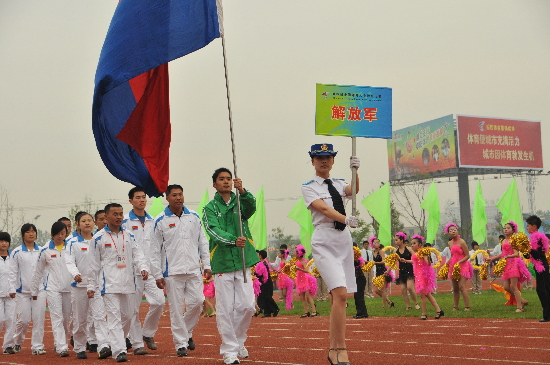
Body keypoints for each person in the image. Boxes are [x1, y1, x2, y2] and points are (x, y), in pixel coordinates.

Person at [301, 143, 359, 365]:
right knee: (340, 293)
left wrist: (356, 171)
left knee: (342, 297)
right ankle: (339, 348)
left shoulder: (339, 182)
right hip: (324, 240)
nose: (324, 161)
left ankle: (334, 346)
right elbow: (323, 209)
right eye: (319, 157)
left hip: (343, 240)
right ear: (313, 161)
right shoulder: (309, 186)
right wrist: (345, 219)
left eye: (328, 157)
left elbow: (352, 191)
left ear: (333, 160)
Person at [203, 168, 259, 365]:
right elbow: (213, 230)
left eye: (228, 179)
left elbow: (251, 208)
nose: (226, 182)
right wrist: (233, 240)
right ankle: (229, 351)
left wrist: (243, 191)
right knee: (225, 309)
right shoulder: (210, 208)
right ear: (214, 184)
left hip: (243, 259)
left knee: (248, 305)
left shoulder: (239, 201)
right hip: (222, 262)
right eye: (221, 179)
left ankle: (237, 341)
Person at [151, 184, 211, 357]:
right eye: (174, 195)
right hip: (172, 272)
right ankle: (180, 344)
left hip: (193, 269)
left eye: (180, 194)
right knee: (176, 309)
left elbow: (203, 242)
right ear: (167, 198)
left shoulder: (193, 216)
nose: (178, 198)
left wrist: (206, 264)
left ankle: (186, 333)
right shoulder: (160, 220)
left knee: (198, 302)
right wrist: (157, 274)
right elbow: (154, 250)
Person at [87, 203, 149, 363]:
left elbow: (138, 254)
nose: (119, 217)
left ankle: (116, 342)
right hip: (109, 285)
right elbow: (93, 265)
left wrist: (142, 267)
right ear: (106, 217)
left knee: (128, 317)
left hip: (128, 283)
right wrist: (91, 286)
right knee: (114, 318)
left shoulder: (129, 235)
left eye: (121, 214)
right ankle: (119, 351)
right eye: (115, 214)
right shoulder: (98, 238)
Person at [122, 186, 165, 354]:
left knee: (159, 302)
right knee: (133, 309)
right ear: (131, 201)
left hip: (152, 271)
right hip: (133, 272)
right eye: (138, 197)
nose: (141, 200)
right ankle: (137, 344)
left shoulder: (153, 221)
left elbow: (158, 247)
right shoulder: (125, 222)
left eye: (143, 197)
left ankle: (147, 333)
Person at [65, 212, 111, 359]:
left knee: (99, 316)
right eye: (83, 221)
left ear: (94, 223)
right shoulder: (72, 242)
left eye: (89, 220)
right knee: (81, 319)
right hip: (79, 287)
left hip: (97, 286)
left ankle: (103, 345)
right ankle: (79, 347)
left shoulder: (99, 239)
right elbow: (69, 261)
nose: (87, 223)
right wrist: (75, 274)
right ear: (78, 224)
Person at [30, 222, 73, 357]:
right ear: (52, 234)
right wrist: (34, 290)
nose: (60, 236)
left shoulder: (71, 247)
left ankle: (60, 343)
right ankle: (61, 347)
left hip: (69, 288)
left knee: (66, 319)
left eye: (63, 233)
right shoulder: (45, 250)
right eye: (58, 234)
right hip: (53, 288)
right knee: (57, 317)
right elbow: (38, 272)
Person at [9, 223, 47, 355]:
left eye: (33, 231)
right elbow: (12, 272)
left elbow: (46, 270)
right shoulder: (16, 252)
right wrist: (12, 288)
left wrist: (45, 285)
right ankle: (18, 341)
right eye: (28, 232)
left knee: (38, 319)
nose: (31, 234)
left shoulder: (42, 250)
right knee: (23, 320)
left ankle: (37, 346)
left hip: (40, 290)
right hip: (22, 292)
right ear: (23, 234)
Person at [488, 221, 531, 312]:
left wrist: (508, 256)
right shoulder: (504, 241)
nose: (506, 229)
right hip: (506, 265)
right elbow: (502, 254)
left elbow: (516, 254)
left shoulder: (514, 240)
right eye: (505, 228)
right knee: (506, 287)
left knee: (514, 286)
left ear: (513, 230)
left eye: (508, 228)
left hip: (514, 264)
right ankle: (522, 300)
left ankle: (519, 307)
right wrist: (492, 258)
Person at [403, 235, 443, 320]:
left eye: (414, 243)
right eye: (411, 243)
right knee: (427, 295)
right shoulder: (417, 253)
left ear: (420, 244)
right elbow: (414, 261)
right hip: (418, 276)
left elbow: (428, 264)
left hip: (424, 276)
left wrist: (428, 257)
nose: (412, 245)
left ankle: (424, 314)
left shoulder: (423, 252)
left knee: (422, 295)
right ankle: (439, 310)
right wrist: (406, 260)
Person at [525, 215, 550, 322]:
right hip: (538, 266)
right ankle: (547, 314)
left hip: (542, 266)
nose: (527, 228)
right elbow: (532, 256)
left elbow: (539, 255)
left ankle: (547, 315)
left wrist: (529, 250)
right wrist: (525, 252)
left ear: (534, 226)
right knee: (544, 290)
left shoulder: (538, 237)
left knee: (543, 290)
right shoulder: (532, 238)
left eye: (528, 226)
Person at [445, 223, 473, 311]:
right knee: (455, 288)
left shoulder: (462, 242)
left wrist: (459, 262)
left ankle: (467, 306)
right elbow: (453, 255)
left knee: (462, 286)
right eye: (450, 230)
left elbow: (467, 255)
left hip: (463, 265)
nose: (453, 231)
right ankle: (455, 306)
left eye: (454, 230)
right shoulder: (449, 243)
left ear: (457, 231)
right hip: (454, 266)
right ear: (448, 233)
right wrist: (448, 262)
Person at [0, 232, 16, 354]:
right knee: (0, 320)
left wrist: (14, 289)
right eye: (1, 241)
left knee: (11, 320)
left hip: (11, 294)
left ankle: (8, 345)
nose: (3, 243)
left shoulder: (13, 258)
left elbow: (16, 275)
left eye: (6, 241)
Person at [395, 232, 419, 310]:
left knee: (410, 287)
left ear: (401, 240)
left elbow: (415, 258)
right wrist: (387, 271)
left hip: (409, 270)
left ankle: (416, 303)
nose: (395, 242)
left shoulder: (408, 249)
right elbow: (392, 262)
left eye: (396, 240)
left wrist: (406, 260)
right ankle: (408, 306)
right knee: (403, 289)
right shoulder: (396, 251)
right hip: (401, 271)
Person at [294, 245, 317, 318]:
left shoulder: (303, 261)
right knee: (302, 297)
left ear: (298, 254)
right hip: (299, 279)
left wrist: (299, 269)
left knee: (308, 296)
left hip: (304, 279)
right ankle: (306, 312)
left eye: (295, 252)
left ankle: (314, 311)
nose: (294, 254)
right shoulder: (297, 261)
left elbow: (307, 270)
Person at [255, 250, 279, 318]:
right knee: (265, 297)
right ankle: (267, 312)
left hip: (264, 282)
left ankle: (275, 309)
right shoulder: (266, 262)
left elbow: (260, 274)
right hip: (267, 281)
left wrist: (254, 274)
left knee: (267, 297)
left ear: (260, 256)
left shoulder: (261, 264)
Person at [371, 237, 394, 308]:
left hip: (383, 271)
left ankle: (383, 306)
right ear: (372, 244)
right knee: (377, 290)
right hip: (377, 272)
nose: (376, 244)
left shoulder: (381, 251)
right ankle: (389, 302)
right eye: (375, 242)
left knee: (382, 290)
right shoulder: (373, 252)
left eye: (378, 242)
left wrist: (375, 262)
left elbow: (384, 261)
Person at [352, 244, 368, 319]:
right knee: (357, 296)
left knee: (359, 296)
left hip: (360, 280)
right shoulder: (353, 259)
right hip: (357, 280)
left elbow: (356, 263)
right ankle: (360, 312)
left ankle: (363, 313)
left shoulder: (357, 260)